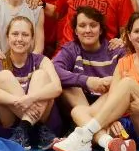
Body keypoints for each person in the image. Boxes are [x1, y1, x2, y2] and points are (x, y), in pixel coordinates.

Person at [51, 12, 139, 151]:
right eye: (137, 31)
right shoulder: (123, 62)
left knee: (127, 84)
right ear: (129, 36)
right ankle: (107, 142)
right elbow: (111, 102)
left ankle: (84, 135)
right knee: (78, 111)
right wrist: (111, 120)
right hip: (133, 127)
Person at [0, 15, 62, 150]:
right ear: (7, 38)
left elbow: (57, 88)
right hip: (10, 129)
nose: (19, 39)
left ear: (32, 39)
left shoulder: (42, 60)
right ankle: (35, 128)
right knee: (4, 76)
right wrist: (18, 100)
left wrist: (30, 98)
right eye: (15, 34)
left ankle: (24, 128)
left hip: (44, 126)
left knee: (41, 76)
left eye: (25, 35)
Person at [51, 7, 122, 143]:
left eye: (93, 25)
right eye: (82, 26)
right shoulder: (71, 49)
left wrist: (111, 116)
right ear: (76, 31)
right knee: (69, 86)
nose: (88, 30)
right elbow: (54, 69)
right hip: (79, 102)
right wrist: (88, 81)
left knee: (117, 86)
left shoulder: (116, 50)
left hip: (105, 106)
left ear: (101, 29)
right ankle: (100, 135)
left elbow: (128, 79)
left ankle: (84, 131)